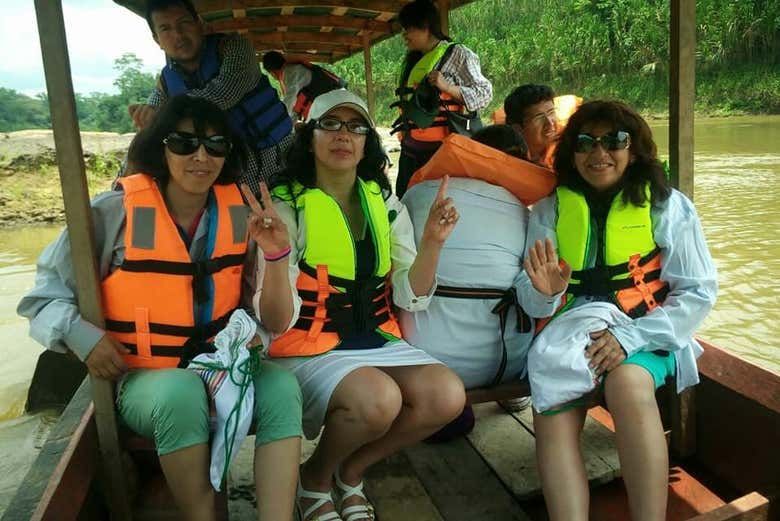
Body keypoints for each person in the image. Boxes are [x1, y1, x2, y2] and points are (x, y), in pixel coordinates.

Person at [18, 95, 303, 521]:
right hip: (144, 379)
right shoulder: (112, 213)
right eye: (184, 143)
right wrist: (83, 338)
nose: (201, 157)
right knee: (179, 391)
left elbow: (275, 323)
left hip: (222, 368)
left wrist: (278, 256)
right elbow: (42, 299)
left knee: (282, 387)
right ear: (161, 147)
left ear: (228, 154)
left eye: (215, 145)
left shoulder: (246, 217)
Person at [252, 89, 465, 521]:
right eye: (329, 124)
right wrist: (274, 257)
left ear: (367, 140)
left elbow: (411, 295)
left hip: (376, 337)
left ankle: (350, 470)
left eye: (355, 127)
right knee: (378, 400)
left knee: (447, 396)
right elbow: (274, 319)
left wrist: (431, 244)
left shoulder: (383, 203)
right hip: (306, 345)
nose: (342, 135)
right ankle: (313, 480)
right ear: (309, 136)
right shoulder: (286, 205)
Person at [517, 100, 717, 521]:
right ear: (571, 152)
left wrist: (631, 338)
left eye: (614, 141)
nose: (599, 153)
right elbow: (531, 298)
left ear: (635, 148)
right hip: (571, 328)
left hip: (647, 327)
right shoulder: (550, 211)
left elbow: (697, 292)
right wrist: (545, 293)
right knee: (550, 393)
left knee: (627, 384)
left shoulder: (667, 205)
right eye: (586, 142)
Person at [400, 125, 557, 435]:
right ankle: (512, 398)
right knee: (548, 280)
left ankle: (447, 411)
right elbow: (538, 298)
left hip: (425, 362)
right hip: (505, 366)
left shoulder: (418, 194)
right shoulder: (532, 213)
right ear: (522, 162)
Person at [128, 0, 293, 194]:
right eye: (166, 29)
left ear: (199, 24)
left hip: (279, 155)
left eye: (184, 24)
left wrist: (162, 114)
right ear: (157, 39)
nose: (178, 35)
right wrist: (145, 115)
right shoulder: (165, 81)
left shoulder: (235, 47)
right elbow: (153, 115)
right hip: (224, 164)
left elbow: (223, 94)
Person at [393, 0, 493, 198]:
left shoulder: (457, 54)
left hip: (442, 153)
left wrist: (447, 87)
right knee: (406, 201)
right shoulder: (415, 60)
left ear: (426, 27)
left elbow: (485, 93)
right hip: (411, 153)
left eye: (409, 29)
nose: (404, 35)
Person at [262, 50, 348, 122]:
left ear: (272, 72)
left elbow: (289, 100)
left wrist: (278, 122)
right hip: (336, 100)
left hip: (339, 101)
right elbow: (295, 106)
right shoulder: (293, 70)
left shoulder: (290, 72)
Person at [504, 84, 559, 167]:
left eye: (551, 112)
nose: (550, 123)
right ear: (517, 128)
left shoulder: (570, 149)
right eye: (539, 118)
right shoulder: (506, 160)